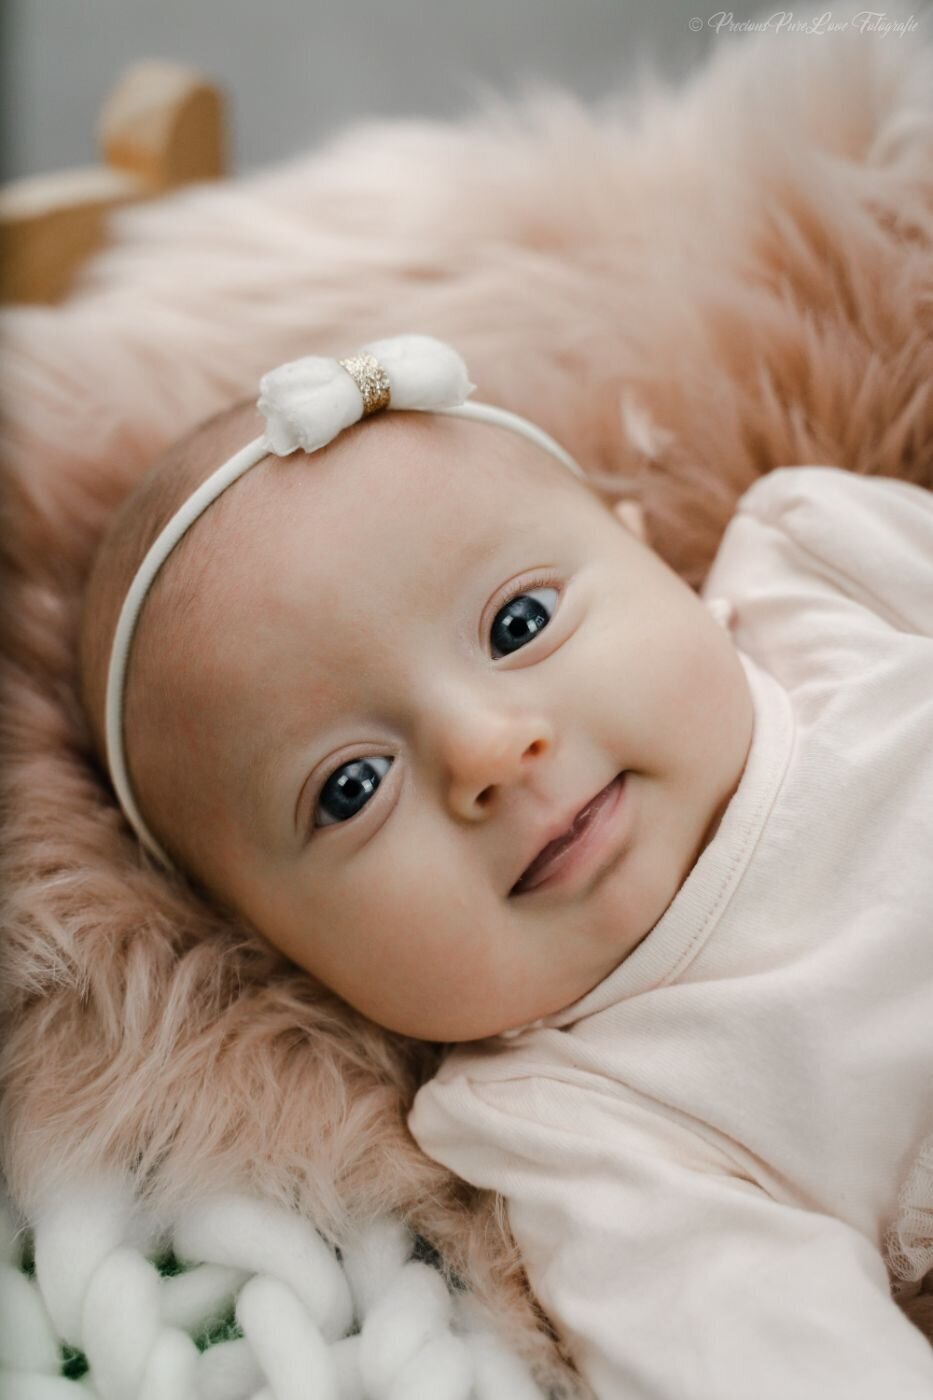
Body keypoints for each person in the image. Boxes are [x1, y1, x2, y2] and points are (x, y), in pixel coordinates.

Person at [80, 335, 933, 1397]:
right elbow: (760, 1351)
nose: (486, 749)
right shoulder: (575, 1114)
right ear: (278, 947)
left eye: (518, 622)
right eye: (351, 786)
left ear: (650, 555)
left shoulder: (831, 574)